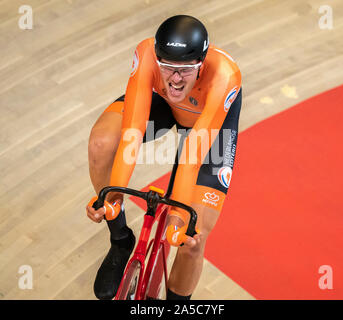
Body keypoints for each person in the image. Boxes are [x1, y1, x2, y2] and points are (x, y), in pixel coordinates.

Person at [86, 15, 242, 300]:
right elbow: (132, 131)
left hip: (208, 125)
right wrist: (113, 196)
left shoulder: (225, 75)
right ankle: (120, 239)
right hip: (164, 106)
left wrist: (181, 218)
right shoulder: (146, 54)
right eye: (168, 67)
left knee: (193, 238)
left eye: (185, 69)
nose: (175, 78)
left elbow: (192, 156)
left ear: (202, 63)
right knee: (101, 142)